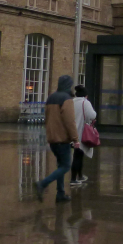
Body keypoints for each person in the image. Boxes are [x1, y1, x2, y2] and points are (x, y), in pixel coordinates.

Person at [35, 75, 80, 203]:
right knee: (66, 166)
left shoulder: (51, 97)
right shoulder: (67, 99)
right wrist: (75, 139)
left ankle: (60, 193)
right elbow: (70, 121)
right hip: (62, 138)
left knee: (60, 165)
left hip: (52, 137)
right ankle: (42, 184)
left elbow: (48, 117)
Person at [70, 85, 97, 187]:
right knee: (78, 156)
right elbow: (92, 115)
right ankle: (73, 179)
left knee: (77, 154)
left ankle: (80, 176)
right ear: (85, 95)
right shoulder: (85, 103)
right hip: (81, 132)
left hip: (71, 131)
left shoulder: (72, 101)